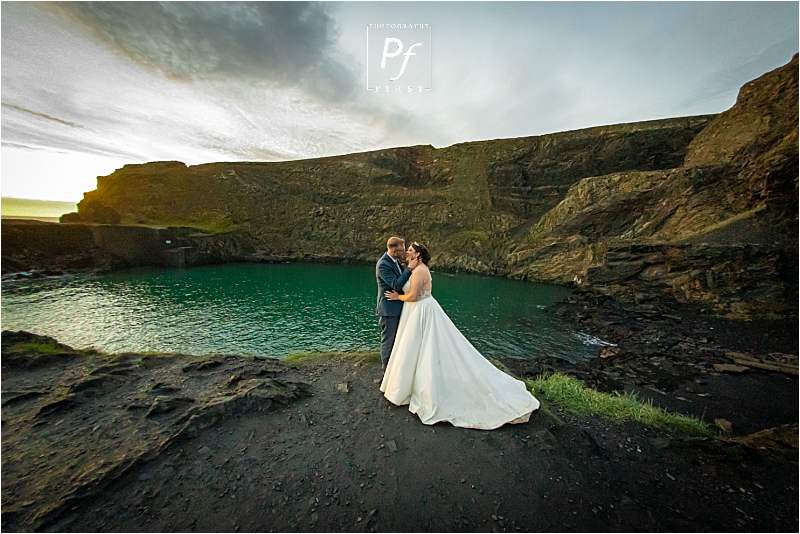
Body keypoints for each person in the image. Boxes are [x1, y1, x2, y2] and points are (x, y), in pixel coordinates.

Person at [379, 241, 540, 430]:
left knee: (422, 348)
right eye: (407, 250)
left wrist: (398, 297)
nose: (407, 252)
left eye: (410, 251)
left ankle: (420, 386)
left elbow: (414, 295)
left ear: (418, 255)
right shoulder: (413, 267)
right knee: (415, 347)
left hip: (420, 310)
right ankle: (408, 382)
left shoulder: (420, 270)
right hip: (416, 311)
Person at [375, 236, 413, 371]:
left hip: (398, 306)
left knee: (397, 340)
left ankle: (394, 368)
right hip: (389, 309)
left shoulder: (396, 261)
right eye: (401, 250)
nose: (403, 252)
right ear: (393, 249)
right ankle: (386, 371)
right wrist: (409, 269)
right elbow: (396, 285)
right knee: (388, 340)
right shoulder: (383, 264)